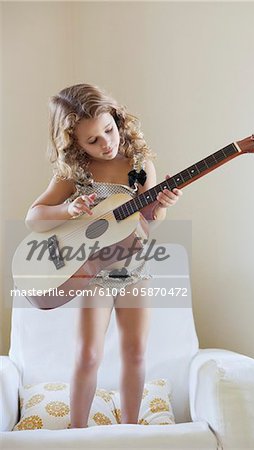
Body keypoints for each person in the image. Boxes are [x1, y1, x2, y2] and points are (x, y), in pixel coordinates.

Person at [25, 83, 182, 427]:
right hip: (92, 272)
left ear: (117, 119)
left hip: (134, 269)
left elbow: (146, 226)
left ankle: (129, 430)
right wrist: (68, 210)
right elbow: (34, 216)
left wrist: (160, 207)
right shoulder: (76, 174)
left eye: (108, 130)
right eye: (92, 140)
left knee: (136, 352)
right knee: (87, 355)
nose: (106, 143)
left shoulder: (139, 165)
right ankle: (77, 431)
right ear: (75, 144)